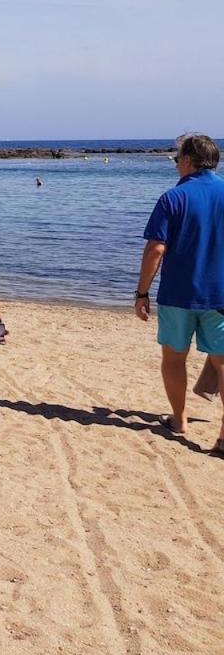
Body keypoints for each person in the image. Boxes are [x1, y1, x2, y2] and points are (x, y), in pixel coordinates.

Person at [135, 133, 224, 450]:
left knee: (174, 359)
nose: (176, 165)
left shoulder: (173, 198)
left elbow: (155, 250)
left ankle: (179, 419)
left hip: (178, 295)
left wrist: (141, 293)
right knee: (222, 363)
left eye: (176, 159)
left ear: (187, 161)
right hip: (221, 295)